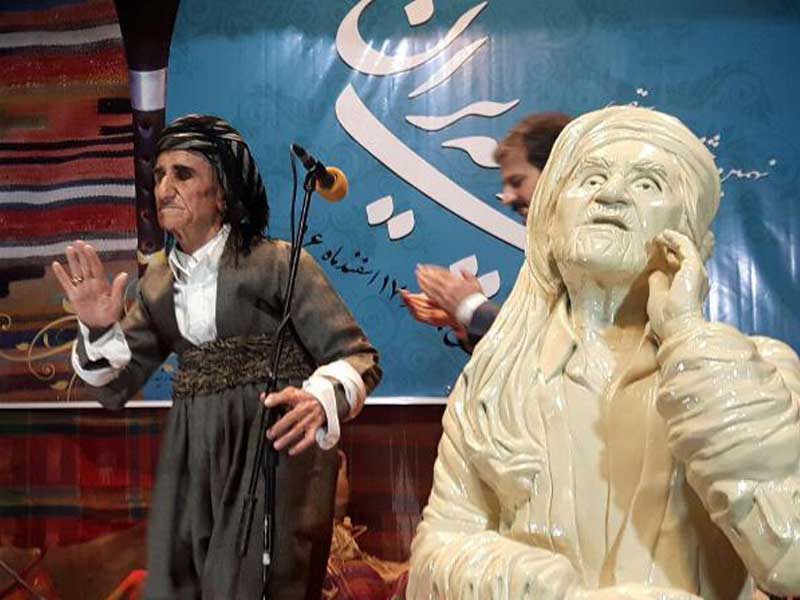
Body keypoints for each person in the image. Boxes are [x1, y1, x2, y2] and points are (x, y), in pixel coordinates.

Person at [407, 106, 800, 599]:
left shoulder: (755, 374)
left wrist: (689, 341)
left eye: (648, 184)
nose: (611, 195)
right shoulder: (494, 387)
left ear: (692, 239)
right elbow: (435, 553)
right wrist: (552, 593)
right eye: (591, 178)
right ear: (550, 222)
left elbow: (789, 559)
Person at [51, 115, 382, 599]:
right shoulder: (159, 284)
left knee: (253, 584)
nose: (164, 188)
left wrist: (318, 398)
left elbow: (358, 356)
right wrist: (100, 327)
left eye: (182, 174)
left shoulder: (278, 264)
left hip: (269, 448)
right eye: (158, 175)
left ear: (223, 192)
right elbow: (116, 385)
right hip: (193, 453)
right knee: (183, 584)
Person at [401, 112, 570, 349]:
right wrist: (462, 320)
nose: (507, 197)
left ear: (557, 174)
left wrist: (471, 308)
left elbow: (573, 350)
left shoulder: (603, 256)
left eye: (517, 182)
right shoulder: (548, 259)